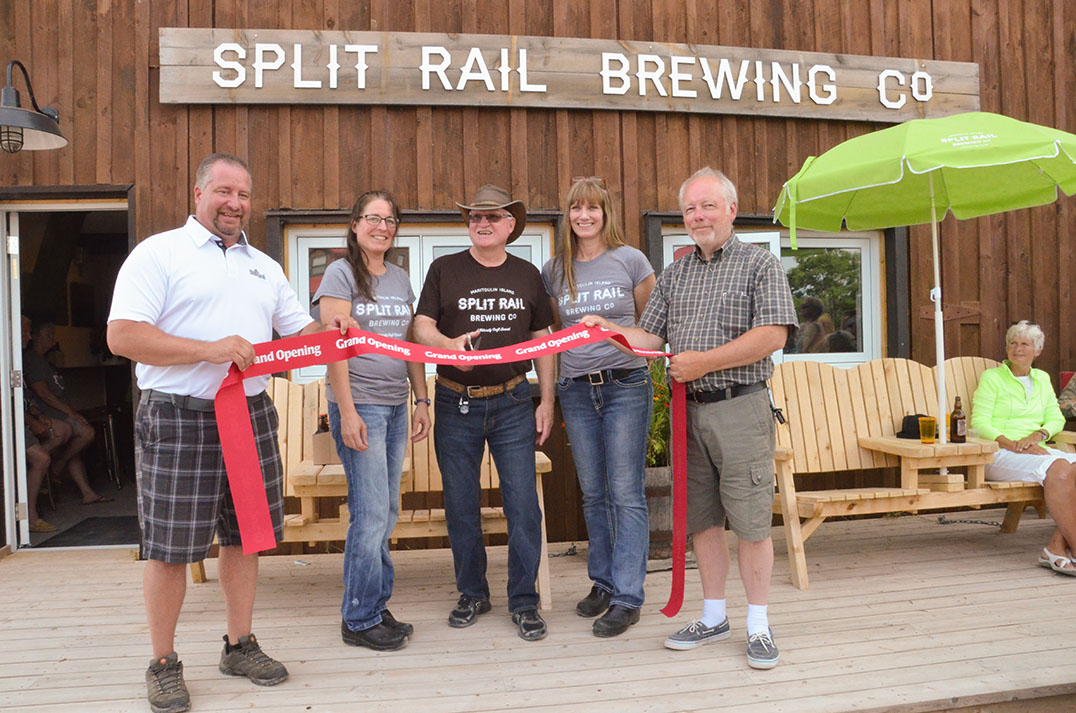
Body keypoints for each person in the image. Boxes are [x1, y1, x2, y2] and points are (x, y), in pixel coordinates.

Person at [107, 153, 352, 713]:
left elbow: (301, 333)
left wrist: (335, 330)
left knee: (246, 537)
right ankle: (163, 663)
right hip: (177, 416)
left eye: (243, 194)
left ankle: (239, 645)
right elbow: (122, 336)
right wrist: (210, 350)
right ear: (198, 194)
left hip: (249, 413)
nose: (235, 204)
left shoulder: (264, 266)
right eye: (223, 192)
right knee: (169, 548)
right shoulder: (159, 253)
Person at [583, 167, 796, 669]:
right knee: (701, 521)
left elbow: (773, 336)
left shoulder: (759, 264)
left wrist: (704, 361)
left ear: (730, 210)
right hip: (691, 412)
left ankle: (759, 625)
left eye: (707, 206)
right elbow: (650, 339)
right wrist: (606, 329)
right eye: (690, 210)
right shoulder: (675, 272)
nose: (698, 216)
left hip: (741, 407)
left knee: (750, 523)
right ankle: (714, 615)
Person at [412, 184, 555, 642]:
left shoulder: (529, 273)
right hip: (456, 400)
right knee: (461, 507)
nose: (483, 223)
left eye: (493, 216)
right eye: (475, 216)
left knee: (523, 507)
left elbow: (544, 340)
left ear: (510, 225)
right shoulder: (443, 269)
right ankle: (472, 593)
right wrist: (446, 347)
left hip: (514, 399)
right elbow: (420, 326)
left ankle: (524, 601)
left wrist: (547, 400)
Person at [313, 190, 431, 651]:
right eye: (373, 218)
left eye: (390, 220)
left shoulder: (400, 278)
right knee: (369, 514)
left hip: (396, 404)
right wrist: (345, 411)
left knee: (386, 512)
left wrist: (421, 399)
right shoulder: (341, 273)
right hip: (360, 405)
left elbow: (410, 346)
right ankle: (358, 618)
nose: (383, 227)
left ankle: (376, 605)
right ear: (356, 224)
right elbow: (333, 345)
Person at [541, 177, 655, 637]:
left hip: (625, 384)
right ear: (567, 215)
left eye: (593, 208)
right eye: (575, 208)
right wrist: (547, 397)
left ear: (606, 213)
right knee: (593, 492)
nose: (584, 216)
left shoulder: (631, 260)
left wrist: (611, 328)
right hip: (576, 389)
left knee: (626, 491)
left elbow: (652, 325)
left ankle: (629, 595)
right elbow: (549, 337)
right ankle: (604, 582)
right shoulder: (555, 269)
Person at [970, 320, 1076, 576]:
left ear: (1037, 351)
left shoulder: (1041, 378)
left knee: (1065, 468)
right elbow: (979, 422)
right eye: (1013, 343)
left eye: (1025, 344)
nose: (1018, 349)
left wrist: (1038, 435)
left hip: (1035, 448)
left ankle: (1055, 546)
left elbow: (1055, 417)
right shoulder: (992, 377)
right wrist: (1013, 444)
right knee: (1061, 469)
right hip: (998, 452)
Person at [23, 320, 110, 505]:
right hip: (51, 412)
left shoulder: (46, 360)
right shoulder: (32, 360)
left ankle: (87, 493)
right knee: (86, 434)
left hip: (60, 410)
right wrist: (71, 413)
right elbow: (42, 393)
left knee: (74, 448)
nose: (53, 339)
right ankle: (57, 466)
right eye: (48, 335)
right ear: (36, 337)